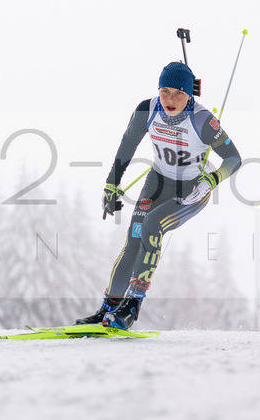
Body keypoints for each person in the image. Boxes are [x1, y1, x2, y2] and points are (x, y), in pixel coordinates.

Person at [76, 61, 242, 329]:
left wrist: (212, 180)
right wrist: (111, 185)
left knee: (153, 226)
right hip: (157, 181)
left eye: (178, 93)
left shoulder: (202, 120)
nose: (170, 99)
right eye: (165, 91)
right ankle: (108, 309)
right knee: (134, 238)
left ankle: (133, 306)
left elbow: (234, 158)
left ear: (190, 94)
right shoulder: (148, 109)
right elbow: (127, 145)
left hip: (191, 189)